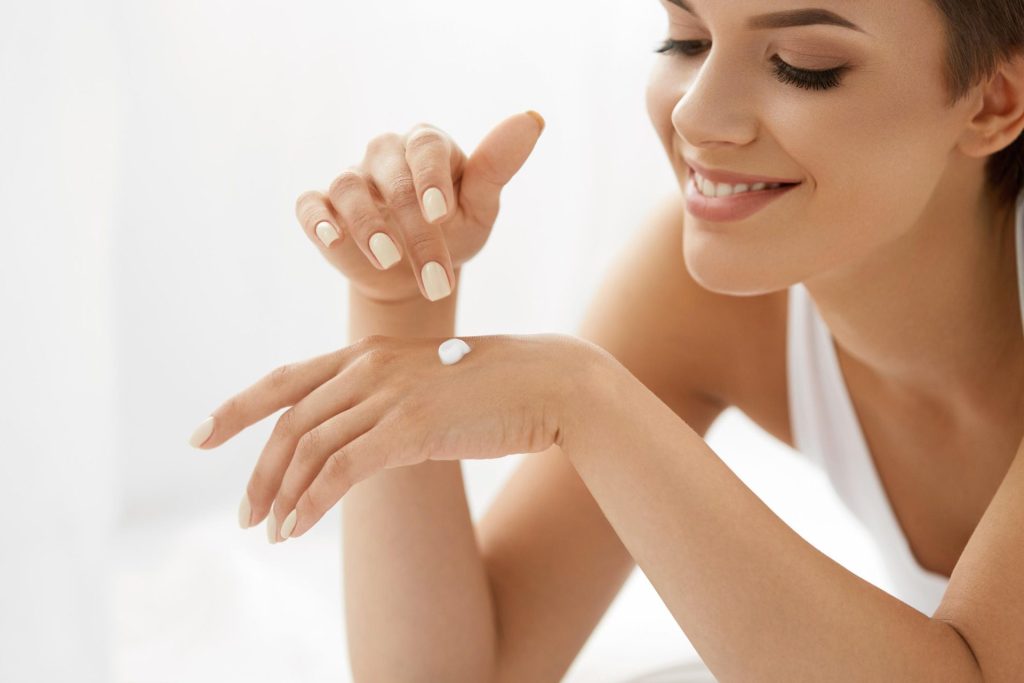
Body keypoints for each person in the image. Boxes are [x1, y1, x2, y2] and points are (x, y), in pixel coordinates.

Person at [206, 1, 1024, 680]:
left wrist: (582, 396)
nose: (695, 115)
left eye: (802, 63)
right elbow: (462, 673)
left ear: (993, 102)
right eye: (686, 38)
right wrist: (402, 300)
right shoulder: (708, 290)